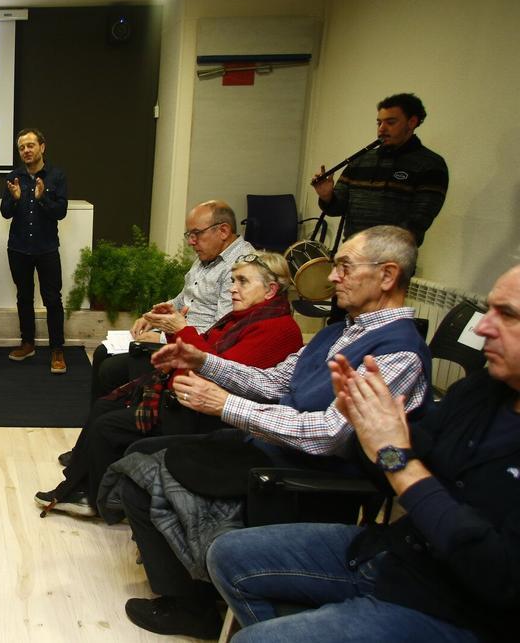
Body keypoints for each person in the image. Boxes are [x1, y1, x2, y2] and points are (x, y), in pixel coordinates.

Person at [118, 225, 432, 638]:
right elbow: (273, 382)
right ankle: (190, 595)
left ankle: (196, 604)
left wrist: (225, 404)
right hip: (272, 448)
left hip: (314, 478)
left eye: (343, 267)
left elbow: (328, 435)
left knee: (150, 468)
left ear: (388, 276)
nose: (332, 277)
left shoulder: (397, 353)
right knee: (139, 462)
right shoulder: (342, 331)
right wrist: (204, 362)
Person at [207, 264, 520, 642]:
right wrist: (366, 426)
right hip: (398, 554)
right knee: (227, 555)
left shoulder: (399, 350)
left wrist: (397, 459)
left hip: (460, 611)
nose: (483, 327)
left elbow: (498, 576)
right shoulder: (484, 390)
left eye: (508, 315)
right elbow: (398, 463)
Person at [36, 251, 302, 516]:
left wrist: (181, 330)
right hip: (185, 400)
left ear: (270, 291)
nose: (232, 288)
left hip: (207, 417)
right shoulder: (244, 317)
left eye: (242, 281)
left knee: (108, 425)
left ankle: (96, 498)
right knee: (105, 408)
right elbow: (198, 357)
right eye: (233, 280)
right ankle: (79, 484)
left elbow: (213, 371)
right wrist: (172, 330)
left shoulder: (277, 329)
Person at [89, 200, 255, 403]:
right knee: (102, 353)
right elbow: (184, 297)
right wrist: (155, 315)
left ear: (223, 230)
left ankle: (117, 423)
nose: (191, 242)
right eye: (189, 235)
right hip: (179, 335)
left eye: (196, 234)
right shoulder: (209, 254)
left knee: (111, 368)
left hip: (196, 349)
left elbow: (221, 329)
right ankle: (101, 420)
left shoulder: (241, 266)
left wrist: (161, 339)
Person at [311, 92, 448, 248]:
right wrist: (327, 195)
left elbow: (419, 220)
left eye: (390, 122)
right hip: (353, 251)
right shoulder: (360, 160)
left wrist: (378, 250)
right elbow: (337, 208)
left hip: (393, 257)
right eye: (379, 123)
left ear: (412, 122)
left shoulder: (431, 164)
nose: (382, 129)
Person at [1, 128, 69, 373]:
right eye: (22, 147)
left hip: (47, 248)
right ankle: (27, 343)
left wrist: (41, 198)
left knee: (53, 299)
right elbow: (5, 212)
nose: (26, 150)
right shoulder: (13, 176)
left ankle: (57, 350)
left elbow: (60, 212)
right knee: (23, 297)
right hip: (18, 248)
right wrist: (16, 198)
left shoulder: (56, 176)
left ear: (42, 146)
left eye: (30, 145)